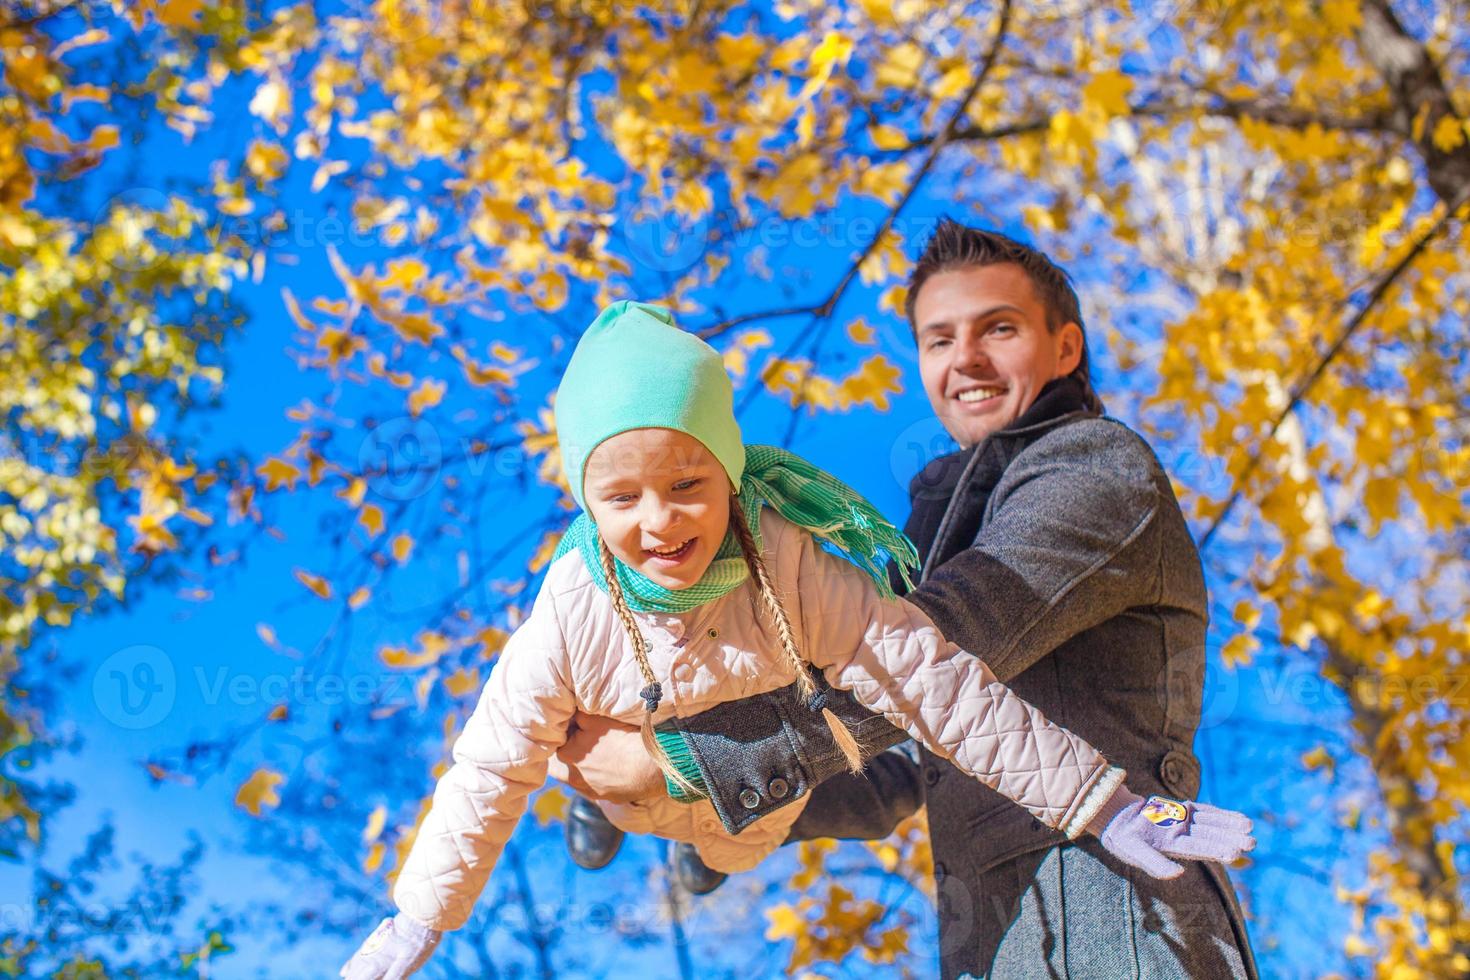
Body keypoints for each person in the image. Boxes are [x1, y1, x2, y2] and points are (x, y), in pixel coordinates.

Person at [338, 300, 1254, 980]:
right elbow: (488, 772)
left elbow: (935, 685)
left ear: (732, 473)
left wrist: (1107, 806)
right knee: (572, 757)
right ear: (587, 501)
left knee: (738, 835)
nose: (660, 521)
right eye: (621, 497)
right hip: (622, 742)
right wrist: (418, 921)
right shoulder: (572, 607)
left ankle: (697, 845)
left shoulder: (794, 565)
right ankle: (604, 809)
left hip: (747, 801)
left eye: (688, 483)